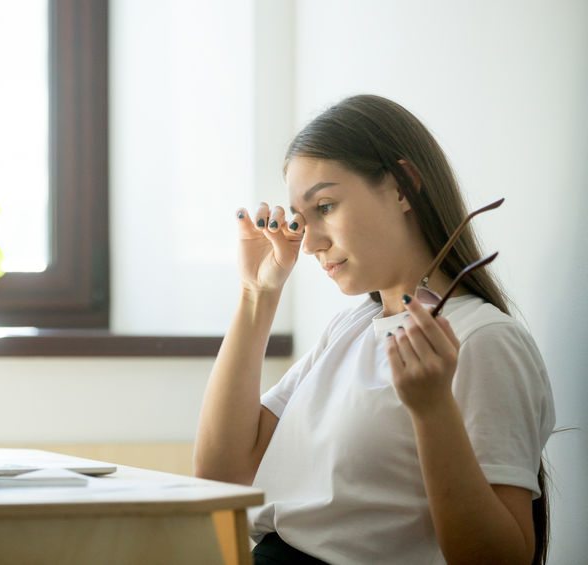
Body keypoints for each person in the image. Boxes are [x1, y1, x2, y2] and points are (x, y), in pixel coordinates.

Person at [193, 94, 555, 564]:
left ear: (404, 185)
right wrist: (256, 296)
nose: (311, 243)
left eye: (325, 206)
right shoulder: (352, 327)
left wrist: (431, 411)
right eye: (302, 219)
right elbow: (223, 474)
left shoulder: (483, 340)